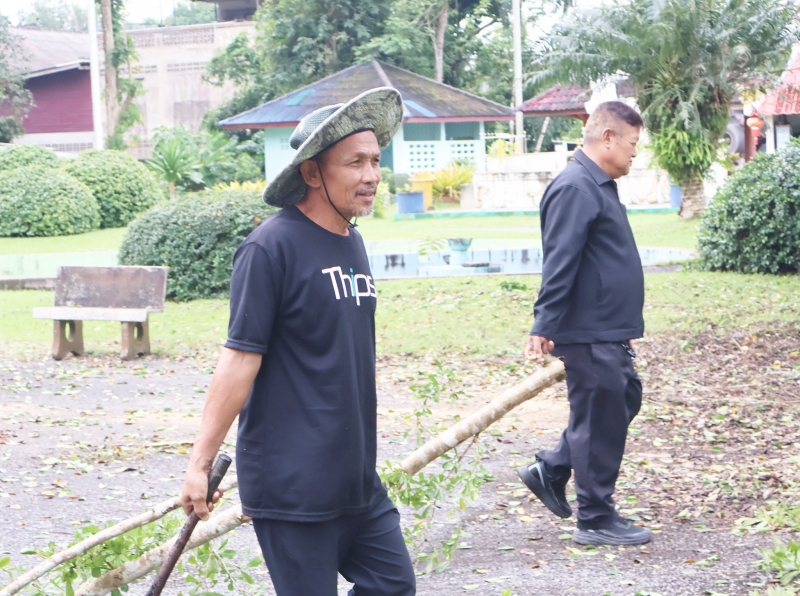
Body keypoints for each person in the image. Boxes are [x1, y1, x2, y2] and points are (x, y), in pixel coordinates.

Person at [178, 88, 416, 596]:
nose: (372, 175)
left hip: (355, 476)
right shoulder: (270, 248)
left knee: (394, 585)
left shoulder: (352, 240)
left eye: (375, 161)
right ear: (312, 172)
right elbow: (239, 359)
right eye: (355, 162)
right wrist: (200, 464)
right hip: (295, 484)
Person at [516, 101, 652, 546]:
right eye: (632, 143)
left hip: (607, 327)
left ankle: (553, 467)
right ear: (608, 137)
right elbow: (561, 260)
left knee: (621, 400)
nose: (635, 152)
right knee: (598, 414)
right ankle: (594, 518)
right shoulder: (575, 187)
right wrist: (544, 322)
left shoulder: (598, 185)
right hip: (587, 330)